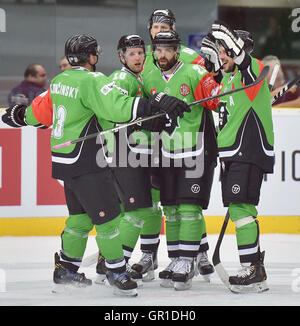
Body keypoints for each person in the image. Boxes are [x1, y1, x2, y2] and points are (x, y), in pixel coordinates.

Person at [1, 34, 190, 297]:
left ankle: (66, 268)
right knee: (109, 220)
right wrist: (155, 103)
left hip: (64, 161)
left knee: (78, 219)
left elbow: (39, 113)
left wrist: (18, 115)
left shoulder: (59, 81)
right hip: (88, 161)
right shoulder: (93, 80)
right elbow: (117, 109)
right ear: (91, 56)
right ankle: (116, 272)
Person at [133, 8, 216, 282]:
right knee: (167, 206)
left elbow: (213, 96)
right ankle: (162, 255)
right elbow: (137, 98)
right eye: (155, 27)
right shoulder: (144, 60)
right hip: (158, 147)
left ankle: (194, 253)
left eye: (165, 26)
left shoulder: (193, 63)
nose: (158, 32)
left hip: (192, 146)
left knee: (188, 204)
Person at [211, 21, 275, 292]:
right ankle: (253, 266)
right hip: (233, 155)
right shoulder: (229, 79)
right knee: (240, 209)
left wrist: (236, 55)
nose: (221, 55)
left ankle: (253, 268)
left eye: (226, 50)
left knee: (242, 210)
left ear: (239, 50)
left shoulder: (256, 69)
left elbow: (248, 69)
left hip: (248, 151)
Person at [95, 34, 155, 284]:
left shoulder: (136, 78)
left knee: (133, 210)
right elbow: (112, 107)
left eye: (140, 52)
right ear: (121, 57)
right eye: (132, 53)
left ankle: (108, 262)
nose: (138, 57)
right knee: (138, 210)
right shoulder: (122, 78)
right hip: (123, 152)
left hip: (129, 152)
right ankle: (116, 267)